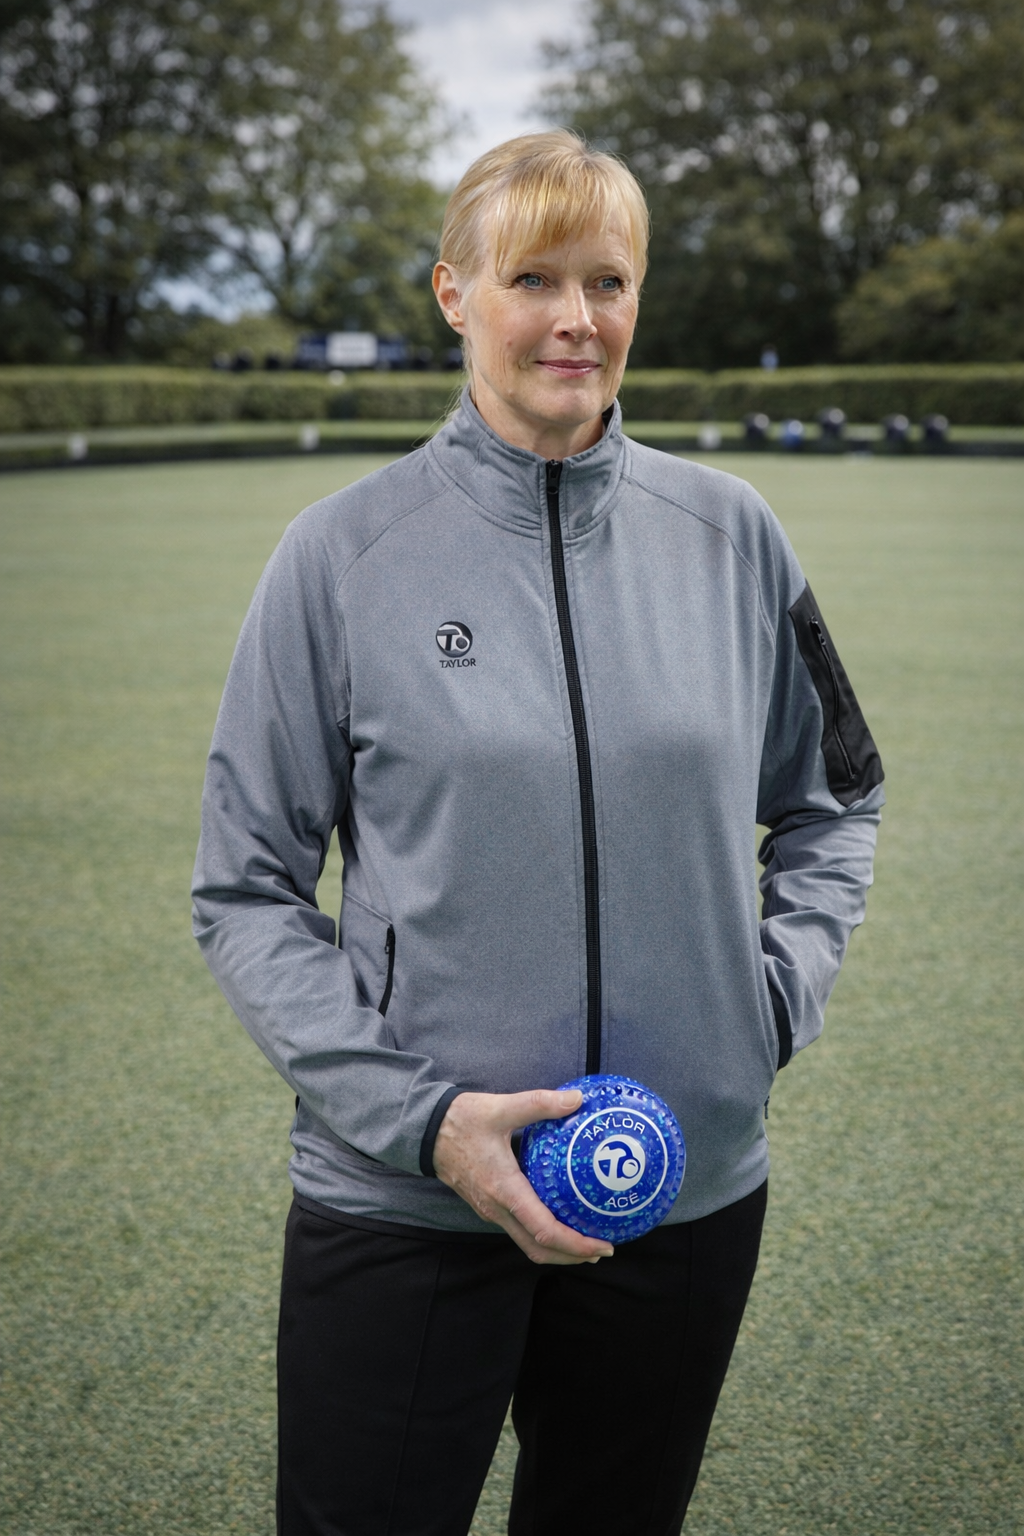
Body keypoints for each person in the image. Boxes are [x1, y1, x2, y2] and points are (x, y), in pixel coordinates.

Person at [192, 130, 883, 1536]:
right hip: (406, 1201)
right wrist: (425, 1123)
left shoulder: (734, 536)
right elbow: (245, 890)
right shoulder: (340, 558)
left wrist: (762, 1010)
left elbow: (836, 797)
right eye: (533, 279)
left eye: (608, 282)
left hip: (674, 1195)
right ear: (455, 294)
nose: (577, 319)